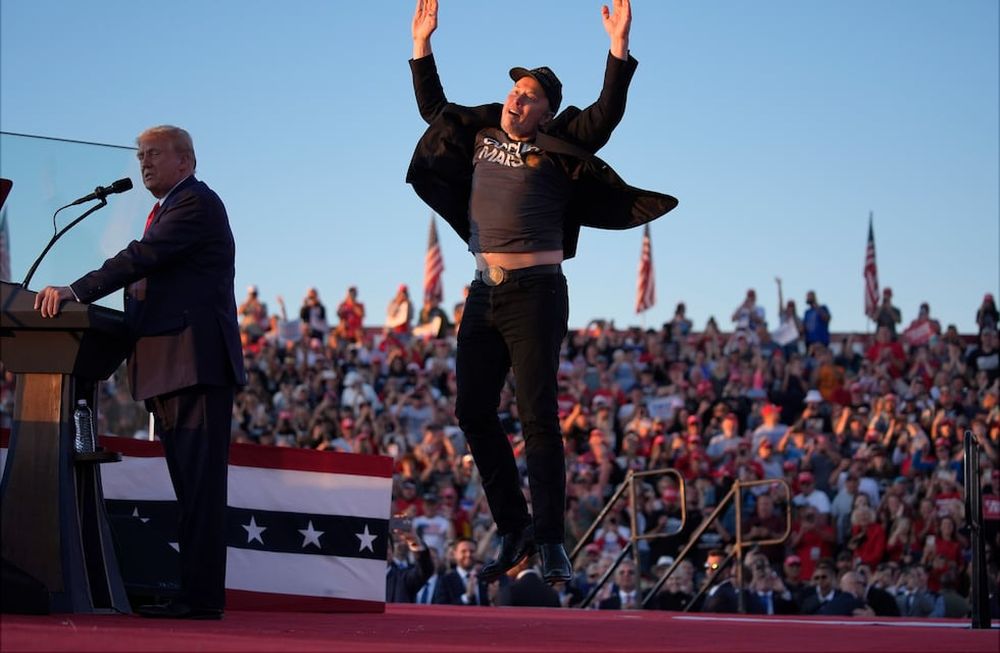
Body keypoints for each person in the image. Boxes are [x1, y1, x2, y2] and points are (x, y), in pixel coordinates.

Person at [406, 0, 676, 585]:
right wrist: (422, 45)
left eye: (529, 95)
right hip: (483, 292)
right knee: (472, 410)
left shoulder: (558, 144)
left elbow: (605, 114)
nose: (516, 99)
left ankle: (552, 540)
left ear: (546, 111)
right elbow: (434, 111)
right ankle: (515, 529)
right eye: (514, 90)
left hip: (537, 293)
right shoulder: (480, 133)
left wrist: (618, 48)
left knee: (537, 415)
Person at [34, 125, 245, 619]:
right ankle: (195, 593)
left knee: (199, 489)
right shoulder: (169, 208)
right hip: (171, 366)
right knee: (189, 488)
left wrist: (76, 290)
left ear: (185, 162)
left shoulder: (195, 204)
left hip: (193, 366)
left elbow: (141, 258)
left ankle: (201, 599)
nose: (144, 162)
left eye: (154, 154)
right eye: (140, 155)